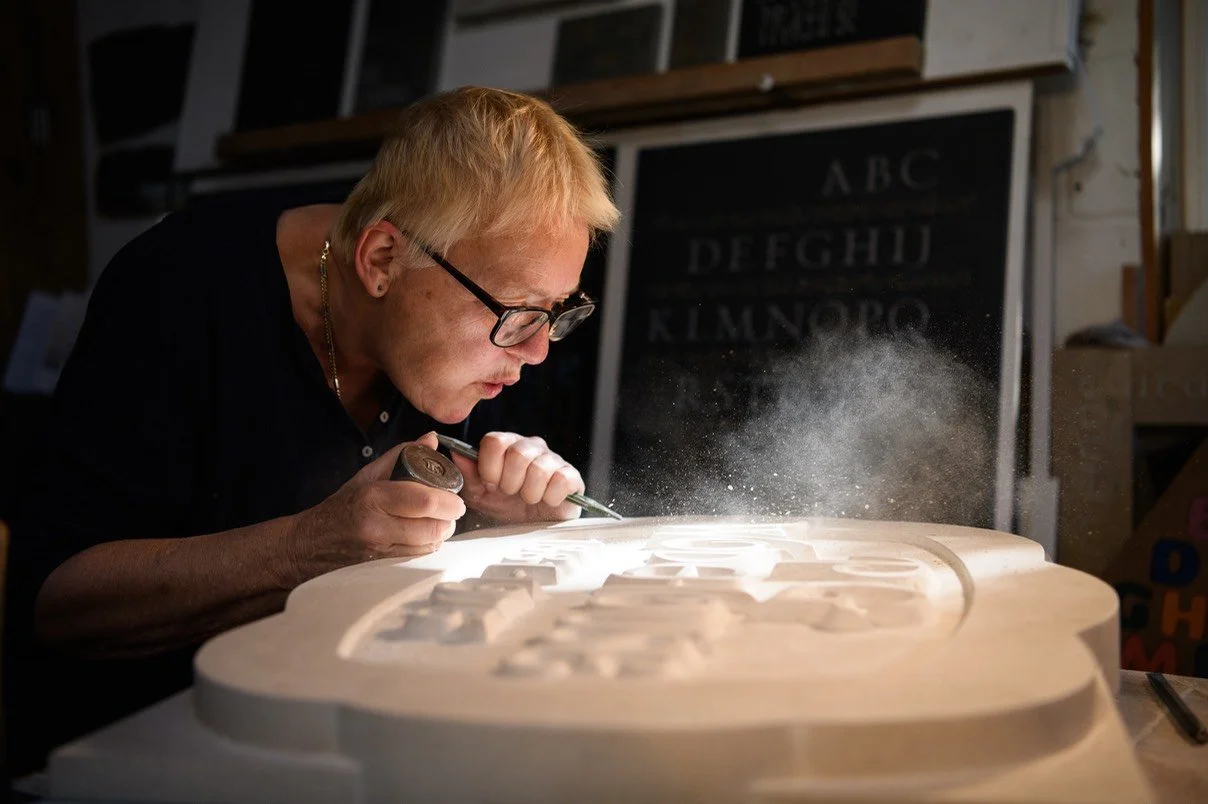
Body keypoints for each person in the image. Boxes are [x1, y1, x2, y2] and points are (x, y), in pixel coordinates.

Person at [5, 85, 619, 771]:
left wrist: (497, 517)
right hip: (134, 749)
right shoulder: (180, 290)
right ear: (382, 260)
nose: (538, 351)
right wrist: (307, 545)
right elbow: (54, 602)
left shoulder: (464, 321)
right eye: (520, 314)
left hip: (335, 728)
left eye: (559, 313)